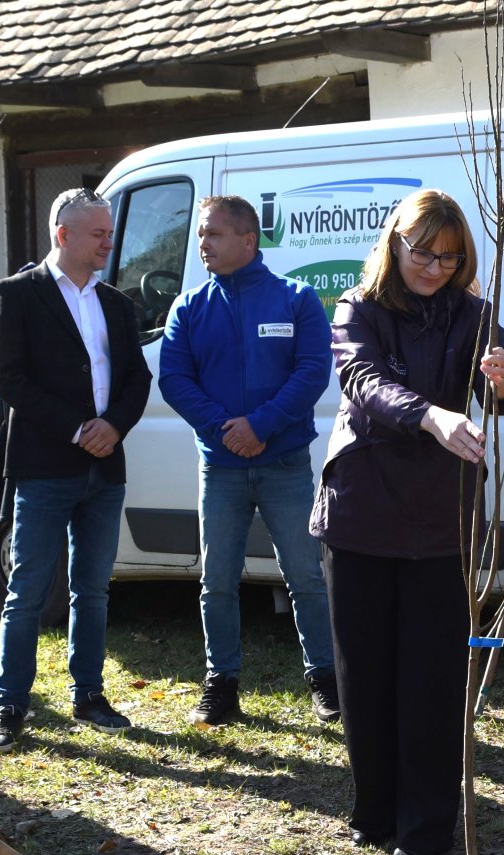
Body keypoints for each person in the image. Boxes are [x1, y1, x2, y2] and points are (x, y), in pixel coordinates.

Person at [311, 190, 504, 855]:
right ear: (393, 243)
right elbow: (362, 379)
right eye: (421, 253)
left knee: (430, 675)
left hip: (439, 514)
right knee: (364, 673)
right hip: (362, 506)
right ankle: (375, 811)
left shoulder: (474, 313)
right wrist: (432, 416)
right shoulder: (357, 308)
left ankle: (428, 825)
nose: (434, 267)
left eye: (449, 256)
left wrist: (501, 380)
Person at [0, 188, 153, 753]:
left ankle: (89, 695)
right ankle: (10, 708)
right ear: (63, 235)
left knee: (94, 589)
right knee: (27, 589)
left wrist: (114, 427)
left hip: (105, 469)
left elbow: (137, 379)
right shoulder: (16, 294)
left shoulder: (117, 303)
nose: (109, 240)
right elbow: (8, 377)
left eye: (109, 232)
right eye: (99, 233)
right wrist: (79, 428)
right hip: (46, 465)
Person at [160, 195, 337, 729]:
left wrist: (260, 425)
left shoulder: (296, 299)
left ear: (248, 239)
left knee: (306, 574)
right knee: (217, 578)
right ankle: (222, 685)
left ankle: (327, 680)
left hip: (284, 464)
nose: (203, 244)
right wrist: (225, 430)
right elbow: (175, 380)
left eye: (212, 234)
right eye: (200, 235)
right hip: (221, 467)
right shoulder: (190, 307)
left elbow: (312, 371)